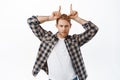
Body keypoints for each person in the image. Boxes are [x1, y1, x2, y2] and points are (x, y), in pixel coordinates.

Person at [27, 4, 99, 80]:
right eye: (61, 26)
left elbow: (93, 29)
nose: (63, 29)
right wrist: (49, 18)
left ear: (70, 26)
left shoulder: (74, 40)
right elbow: (31, 21)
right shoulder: (47, 38)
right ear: (56, 26)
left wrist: (77, 18)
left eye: (66, 26)